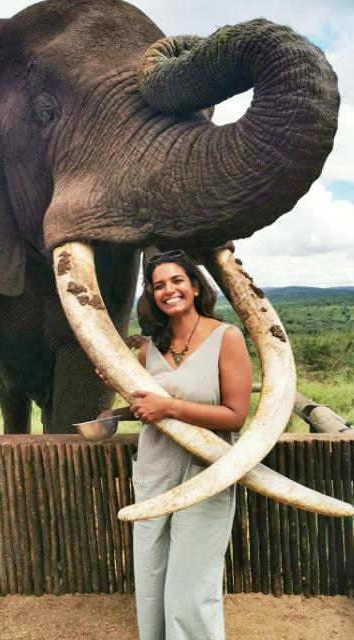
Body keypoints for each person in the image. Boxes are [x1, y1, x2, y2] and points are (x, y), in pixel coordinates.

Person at [97, 250, 252, 640]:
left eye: (177, 280)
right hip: (154, 472)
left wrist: (168, 406)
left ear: (196, 286)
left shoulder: (225, 338)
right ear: (151, 295)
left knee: (189, 592)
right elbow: (147, 405)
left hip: (205, 476)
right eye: (159, 285)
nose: (169, 290)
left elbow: (235, 415)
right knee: (150, 586)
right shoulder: (149, 348)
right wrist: (118, 404)